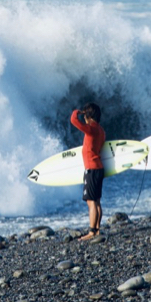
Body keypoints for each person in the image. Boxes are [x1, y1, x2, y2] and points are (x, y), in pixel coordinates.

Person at [70, 103, 106, 241]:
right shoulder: (101, 130)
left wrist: (77, 112)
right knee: (96, 201)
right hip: (98, 168)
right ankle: (97, 229)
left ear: (88, 116)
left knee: (91, 202)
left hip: (91, 169)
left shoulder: (92, 129)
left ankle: (92, 232)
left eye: (85, 115)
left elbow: (74, 120)